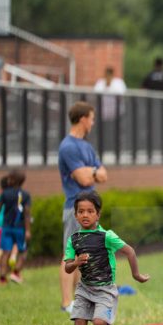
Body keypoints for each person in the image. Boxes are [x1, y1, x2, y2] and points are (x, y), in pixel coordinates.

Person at [63, 191, 149, 325]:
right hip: (84, 288)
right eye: (81, 211)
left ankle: (105, 320)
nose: (85, 215)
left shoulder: (106, 236)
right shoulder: (74, 240)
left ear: (98, 214)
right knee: (79, 324)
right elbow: (67, 268)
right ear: (76, 215)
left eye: (90, 211)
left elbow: (130, 251)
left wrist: (136, 275)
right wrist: (76, 262)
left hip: (105, 289)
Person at [58, 101, 108, 311]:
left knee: (86, 254)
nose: (93, 123)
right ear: (83, 119)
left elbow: (103, 175)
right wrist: (91, 172)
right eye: (92, 118)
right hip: (74, 208)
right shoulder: (68, 146)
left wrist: (92, 172)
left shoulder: (87, 147)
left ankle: (80, 299)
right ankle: (66, 303)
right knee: (70, 254)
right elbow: (84, 179)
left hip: (91, 207)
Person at [0, 170, 30, 284]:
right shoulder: (25, 195)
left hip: (6, 228)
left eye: (9, 178)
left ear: (13, 180)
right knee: (23, 251)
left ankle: (2, 278)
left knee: (5, 252)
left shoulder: (5, 194)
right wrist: (28, 230)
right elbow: (27, 213)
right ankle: (15, 273)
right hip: (20, 228)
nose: (8, 180)